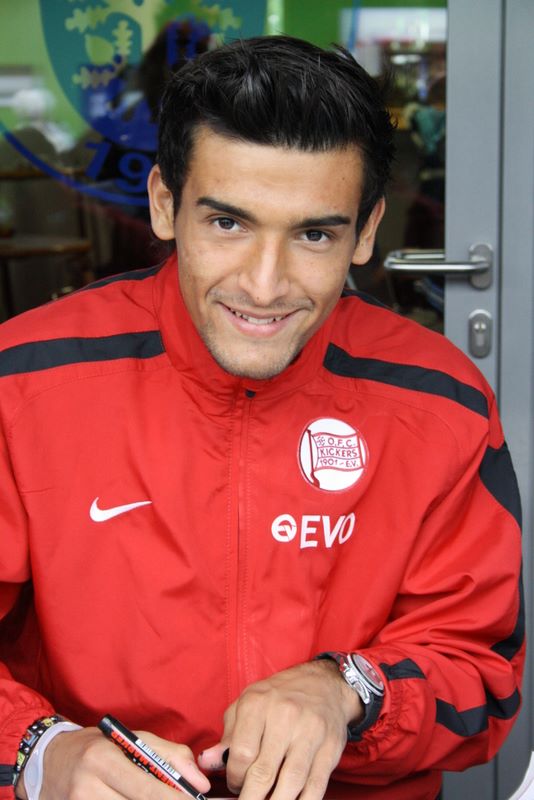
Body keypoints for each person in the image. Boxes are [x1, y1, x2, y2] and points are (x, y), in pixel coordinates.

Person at [0, 35, 523, 800]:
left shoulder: (438, 400)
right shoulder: (24, 383)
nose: (266, 285)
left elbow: (483, 674)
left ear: (366, 232)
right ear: (164, 204)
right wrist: (42, 753)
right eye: (228, 224)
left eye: (314, 234)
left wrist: (349, 692)